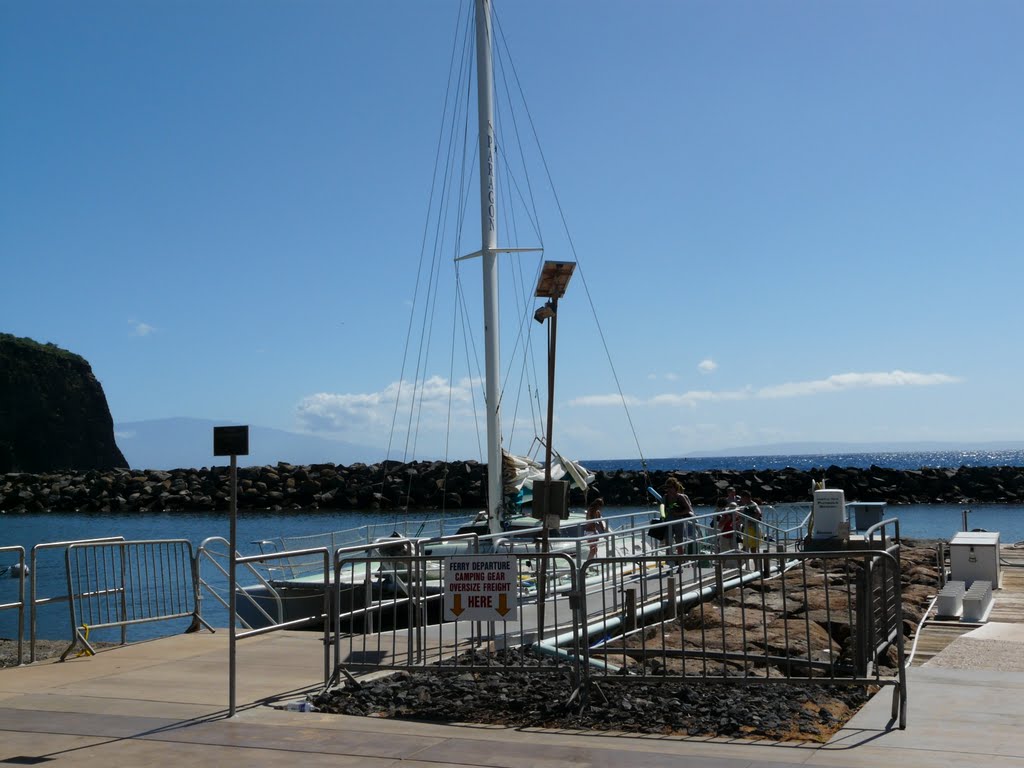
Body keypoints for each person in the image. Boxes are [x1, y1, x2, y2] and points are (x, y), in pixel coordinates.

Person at [661, 476, 694, 555]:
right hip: (668, 521)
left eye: (670, 487)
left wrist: (678, 513)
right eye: (667, 487)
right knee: (668, 542)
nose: (668, 489)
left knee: (679, 541)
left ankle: (680, 561)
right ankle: (668, 560)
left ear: (675, 487)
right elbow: (662, 508)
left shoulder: (680, 497)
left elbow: (689, 509)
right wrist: (664, 515)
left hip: (679, 521)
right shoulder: (665, 497)